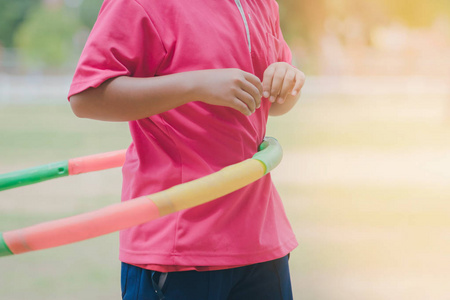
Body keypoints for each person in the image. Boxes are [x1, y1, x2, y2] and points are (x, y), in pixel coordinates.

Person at [68, 0, 305, 299]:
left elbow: (274, 103)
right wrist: (197, 84)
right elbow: (86, 97)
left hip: (261, 241)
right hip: (179, 247)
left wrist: (287, 78)